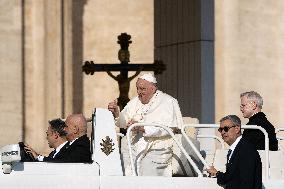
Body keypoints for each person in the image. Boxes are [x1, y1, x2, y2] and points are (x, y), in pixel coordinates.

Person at [108, 73, 183, 176]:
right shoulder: (135, 102)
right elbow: (123, 122)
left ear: (153, 89)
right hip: (135, 145)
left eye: (143, 89)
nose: (139, 92)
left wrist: (143, 128)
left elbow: (168, 129)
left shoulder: (168, 101)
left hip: (157, 148)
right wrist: (116, 112)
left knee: (146, 167)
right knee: (124, 167)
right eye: (138, 88)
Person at [206, 115, 262, 189]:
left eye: (226, 129)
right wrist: (217, 173)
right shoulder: (236, 149)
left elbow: (247, 182)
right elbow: (231, 178)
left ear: (237, 129)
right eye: (220, 129)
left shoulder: (246, 149)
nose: (222, 132)